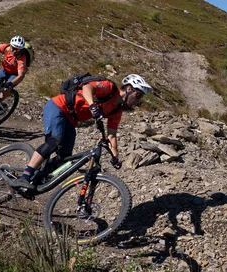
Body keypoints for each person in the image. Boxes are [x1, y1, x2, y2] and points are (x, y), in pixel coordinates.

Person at [9, 74, 153, 192]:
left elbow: (111, 135)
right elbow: (87, 87)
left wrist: (116, 157)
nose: (138, 100)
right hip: (58, 107)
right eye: (138, 95)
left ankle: (37, 178)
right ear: (129, 88)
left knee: (64, 157)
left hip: (71, 120)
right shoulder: (109, 87)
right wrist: (92, 105)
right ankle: (25, 176)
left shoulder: (116, 110)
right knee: (55, 141)